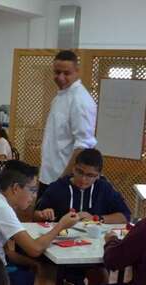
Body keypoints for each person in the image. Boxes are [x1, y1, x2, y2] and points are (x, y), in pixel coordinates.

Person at [34, 148, 131, 285]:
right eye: (80, 172)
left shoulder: (104, 188)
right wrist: (43, 213)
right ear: (73, 168)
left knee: (101, 276)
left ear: (99, 175)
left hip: (90, 253)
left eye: (90, 175)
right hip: (57, 252)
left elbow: (124, 216)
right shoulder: (59, 187)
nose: (84, 179)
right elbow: (36, 213)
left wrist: (97, 218)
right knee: (47, 275)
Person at [39, 50, 97, 194]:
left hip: (64, 180)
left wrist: (64, 180)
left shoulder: (80, 100)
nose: (61, 77)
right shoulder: (60, 96)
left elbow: (83, 146)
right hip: (49, 176)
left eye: (66, 73)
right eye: (57, 72)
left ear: (77, 72)